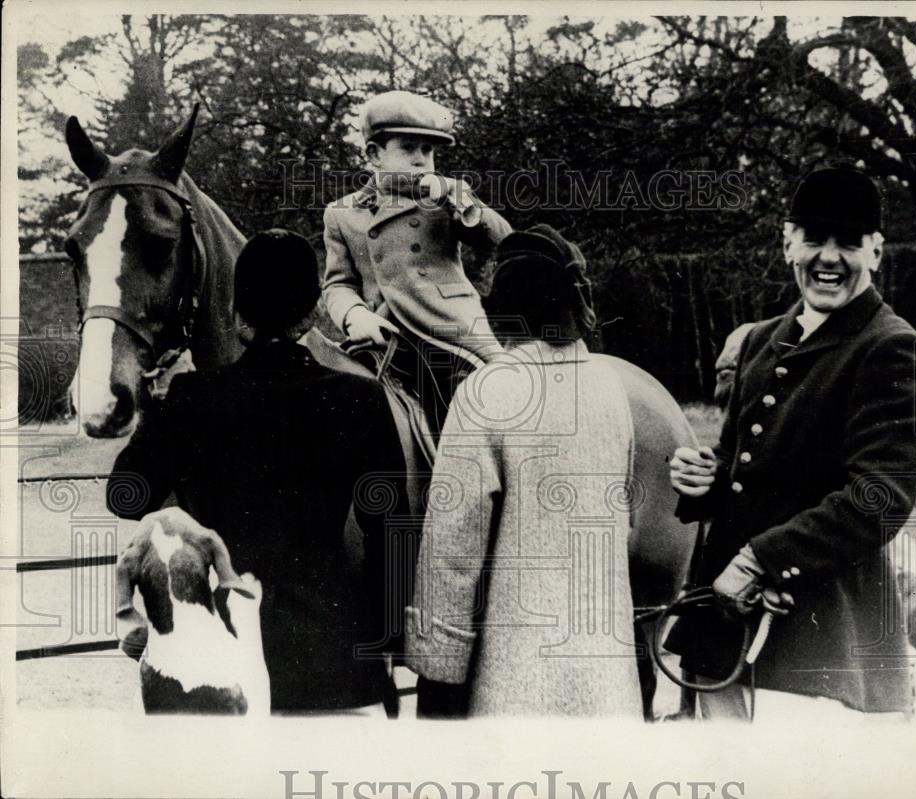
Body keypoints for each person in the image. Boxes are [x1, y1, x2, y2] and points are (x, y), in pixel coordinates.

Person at [668, 166, 916, 720]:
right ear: (788, 242)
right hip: (721, 633)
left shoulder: (891, 346)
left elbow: (878, 499)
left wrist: (761, 561)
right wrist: (706, 479)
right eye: (814, 238)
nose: (829, 258)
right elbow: (744, 467)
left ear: (877, 251)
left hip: (821, 644)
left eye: (848, 242)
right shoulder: (761, 340)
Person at [107, 229, 409, 716]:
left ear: (235, 315)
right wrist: (383, 640)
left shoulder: (191, 399)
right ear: (311, 314)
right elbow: (392, 534)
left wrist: (157, 406)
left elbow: (124, 495)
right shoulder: (361, 399)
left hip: (218, 663)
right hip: (334, 662)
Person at [404, 225, 644, 718]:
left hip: (514, 687)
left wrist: (439, 671)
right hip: (606, 682)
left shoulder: (489, 390)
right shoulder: (610, 385)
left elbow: (453, 550)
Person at [322, 90, 512, 436]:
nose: (421, 160)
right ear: (374, 154)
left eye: (428, 150)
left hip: (448, 332)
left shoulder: (447, 197)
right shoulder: (341, 213)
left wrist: (464, 204)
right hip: (379, 335)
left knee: (487, 407)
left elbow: (504, 242)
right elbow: (338, 284)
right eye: (408, 148)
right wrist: (353, 315)